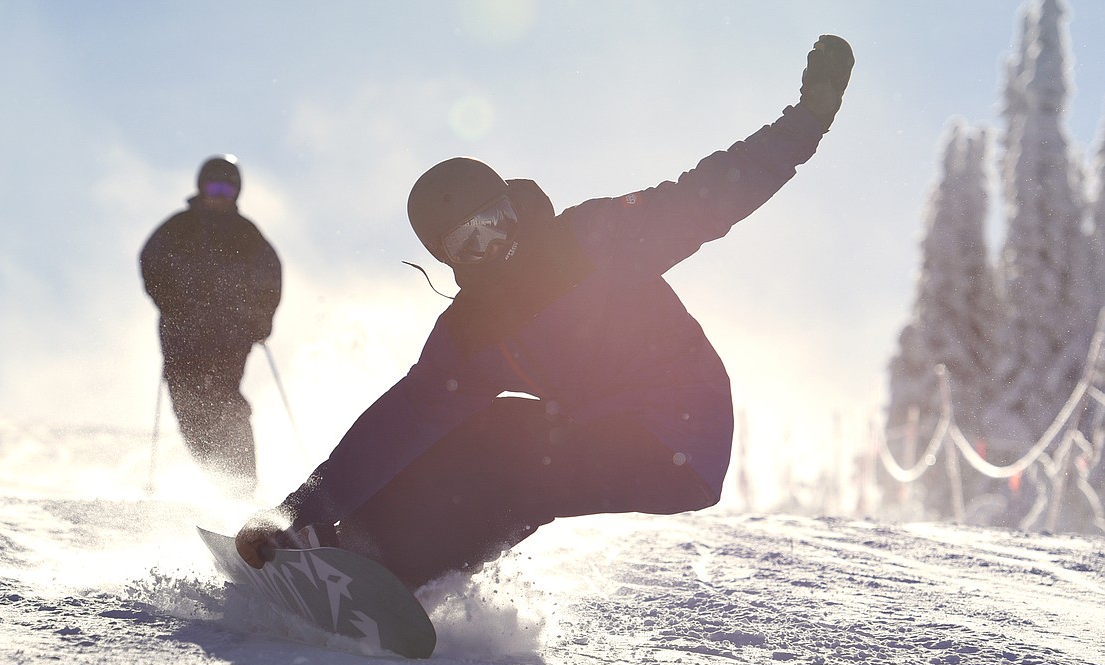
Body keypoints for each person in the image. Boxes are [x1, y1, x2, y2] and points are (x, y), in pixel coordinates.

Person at [236, 36, 854, 588]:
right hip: (598, 428)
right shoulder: (474, 329)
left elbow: (710, 194)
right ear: (449, 257)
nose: (495, 244)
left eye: (496, 221)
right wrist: (300, 508)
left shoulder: (594, 239)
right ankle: (346, 545)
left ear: (512, 204)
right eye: (470, 241)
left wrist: (806, 122)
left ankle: (393, 568)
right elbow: (401, 420)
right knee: (481, 430)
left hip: (680, 433)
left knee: (523, 457)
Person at [141, 155, 282, 497]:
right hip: (182, 333)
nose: (219, 195)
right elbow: (151, 261)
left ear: (236, 193)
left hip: (228, 334)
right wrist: (169, 300)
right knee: (188, 405)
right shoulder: (179, 227)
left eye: (226, 188)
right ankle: (220, 480)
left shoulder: (245, 234)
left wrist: (260, 318)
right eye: (212, 187)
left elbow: (269, 277)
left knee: (224, 399)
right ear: (201, 188)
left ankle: (244, 484)